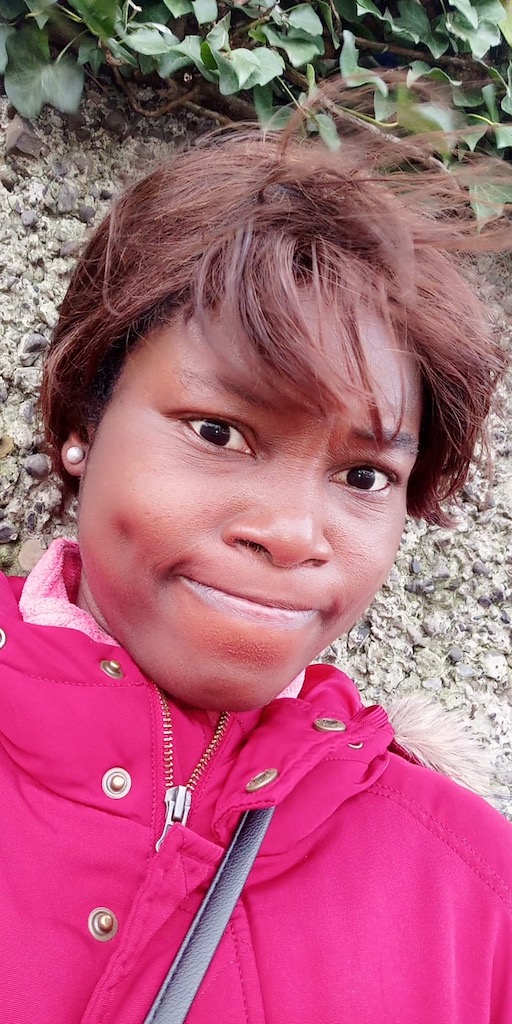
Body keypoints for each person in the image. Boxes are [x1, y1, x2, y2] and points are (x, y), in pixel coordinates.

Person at [0, 115, 511, 1024]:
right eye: (218, 431)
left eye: (364, 476)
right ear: (81, 420)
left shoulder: (475, 890)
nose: (291, 534)